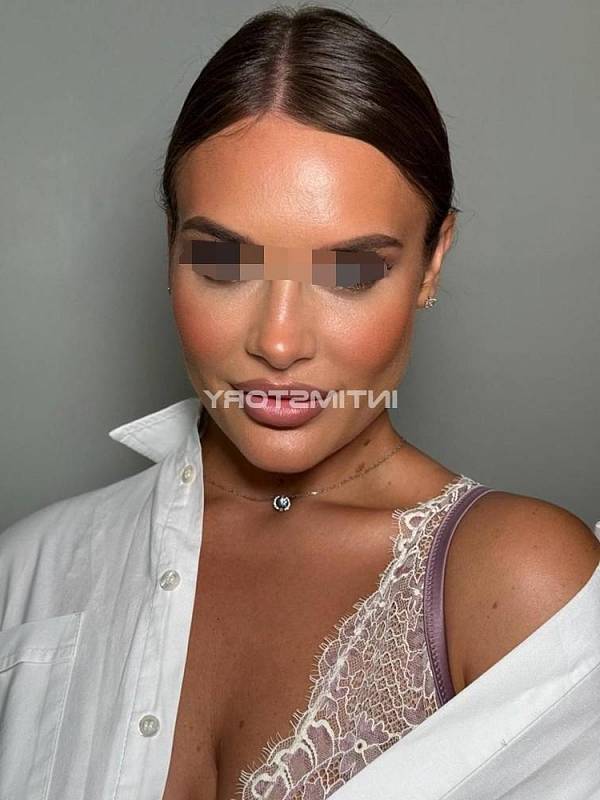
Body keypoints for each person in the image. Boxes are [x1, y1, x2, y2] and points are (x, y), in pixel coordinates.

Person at [1, 6, 599, 800]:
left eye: (350, 271)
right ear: (170, 247)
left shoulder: (521, 585)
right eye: (223, 263)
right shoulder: (28, 574)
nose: (279, 343)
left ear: (431, 263)